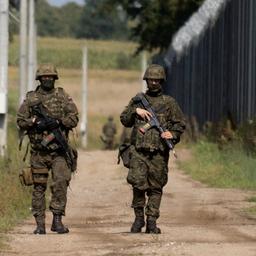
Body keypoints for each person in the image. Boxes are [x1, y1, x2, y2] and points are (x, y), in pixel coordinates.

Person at [120, 64, 185, 234]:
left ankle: (151, 221)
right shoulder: (137, 100)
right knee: (138, 185)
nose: (154, 83)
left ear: (161, 81)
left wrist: (172, 134)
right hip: (139, 152)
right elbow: (124, 120)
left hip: (159, 153)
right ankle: (138, 218)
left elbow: (180, 124)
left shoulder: (169, 103)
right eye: (151, 80)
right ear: (146, 80)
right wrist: (136, 111)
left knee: (156, 187)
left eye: (157, 80)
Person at [17, 63, 79, 235]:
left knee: (60, 182)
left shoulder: (62, 96)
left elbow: (74, 118)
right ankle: (40, 224)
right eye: (44, 76)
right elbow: (21, 120)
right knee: (38, 187)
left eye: (50, 76)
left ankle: (57, 220)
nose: (47, 79)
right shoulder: (31, 99)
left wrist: (59, 122)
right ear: (39, 78)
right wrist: (36, 123)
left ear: (55, 78)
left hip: (59, 152)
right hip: (39, 153)